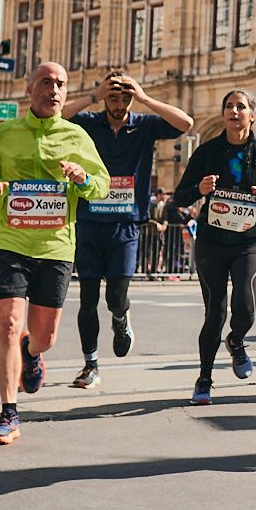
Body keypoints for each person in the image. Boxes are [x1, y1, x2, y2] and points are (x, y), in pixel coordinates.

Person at [0, 62, 111, 446]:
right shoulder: (4, 134)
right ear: (29, 90)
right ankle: (9, 414)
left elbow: (103, 186)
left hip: (56, 246)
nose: (54, 90)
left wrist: (83, 178)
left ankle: (32, 352)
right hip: (10, 241)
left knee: (45, 337)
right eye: (46, 82)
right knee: (7, 324)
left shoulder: (76, 136)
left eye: (60, 84)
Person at [61, 71, 194, 390]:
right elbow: (58, 116)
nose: (119, 104)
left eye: (125, 98)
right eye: (113, 97)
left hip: (126, 223)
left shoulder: (144, 125)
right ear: (105, 97)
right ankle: (90, 364)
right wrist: (93, 95)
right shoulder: (89, 121)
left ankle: (121, 320)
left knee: (116, 296)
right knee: (88, 298)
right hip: (90, 219)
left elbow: (185, 124)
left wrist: (146, 99)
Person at [170, 89, 256, 403]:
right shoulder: (206, 152)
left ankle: (236, 340)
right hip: (212, 241)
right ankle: (204, 379)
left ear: (253, 115)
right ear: (224, 115)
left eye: (241, 106)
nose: (234, 111)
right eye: (229, 107)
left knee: (245, 308)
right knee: (214, 313)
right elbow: (180, 196)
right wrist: (199, 188)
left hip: (248, 240)